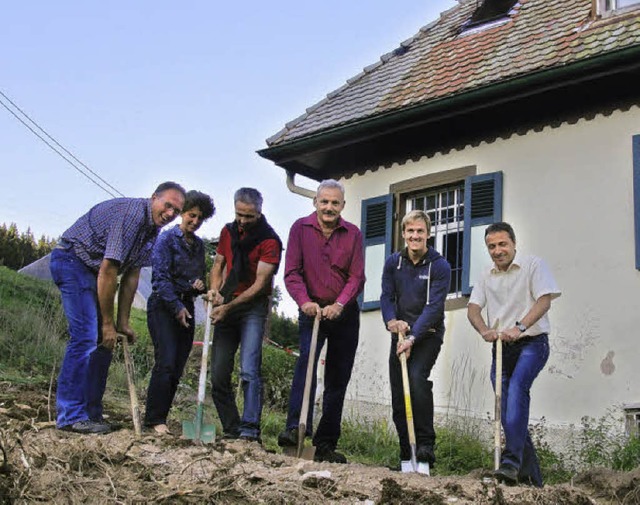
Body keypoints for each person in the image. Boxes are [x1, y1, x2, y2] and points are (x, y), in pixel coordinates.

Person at [50, 182, 186, 434]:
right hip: (71, 260)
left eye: (176, 211)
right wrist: (106, 323)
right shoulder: (132, 216)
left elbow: (132, 276)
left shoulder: (152, 231)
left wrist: (121, 322)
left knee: (106, 341)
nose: (170, 214)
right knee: (86, 336)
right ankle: (70, 415)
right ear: (153, 197)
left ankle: (90, 413)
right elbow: (109, 270)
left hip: (92, 270)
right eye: (167, 205)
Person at [277, 179, 365, 464]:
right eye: (324, 201)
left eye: (335, 203)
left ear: (342, 206)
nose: (329, 207)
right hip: (311, 310)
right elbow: (291, 272)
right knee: (305, 368)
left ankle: (325, 444)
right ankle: (295, 429)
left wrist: (340, 304)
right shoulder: (299, 229)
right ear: (315, 202)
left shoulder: (353, 234)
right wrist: (304, 302)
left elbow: (357, 276)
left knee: (337, 378)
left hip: (344, 313)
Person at [467, 222, 561, 487]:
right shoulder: (486, 275)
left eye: (502, 244)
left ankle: (509, 463)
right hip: (501, 349)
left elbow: (544, 300)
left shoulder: (533, 265)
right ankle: (531, 479)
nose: (498, 251)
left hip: (532, 343)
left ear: (514, 244)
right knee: (509, 413)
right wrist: (484, 330)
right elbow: (473, 309)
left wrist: (519, 327)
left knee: (518, 391)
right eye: (492, 247)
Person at [208, 188, 282, 442]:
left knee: (249, 370)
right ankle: (232, 427)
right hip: (226, 302)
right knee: (218, 373)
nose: (243, 220)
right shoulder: (227, 232)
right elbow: (218, 264)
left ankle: (250, 430)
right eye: (239, 214)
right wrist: (215, 292)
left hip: (252, 307)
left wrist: (229, 307)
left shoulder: (270, 241)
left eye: (249, 216)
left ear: (259, 212)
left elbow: (260, 285)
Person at [380, 210, 451, 473]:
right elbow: (386, 297)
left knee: (417, 379)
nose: (415, 236)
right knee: (399, 393)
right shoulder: (392, 263)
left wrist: (412, 337)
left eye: (420, 231)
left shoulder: (439, 266)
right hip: (400, 336)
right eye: (410, 231)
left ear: (428, 234)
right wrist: (391, 322)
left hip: (428, 334)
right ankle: (405, 452)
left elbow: (434, 308)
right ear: (403, 235)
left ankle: (425, 447)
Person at [144, 190, 215, 435]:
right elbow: (161, 280)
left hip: (188, 307)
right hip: (164, 307)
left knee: (177, 365)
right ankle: (153, 419)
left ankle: (161, 416)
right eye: (192, 215)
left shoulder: (198, 246)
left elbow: (195, 281)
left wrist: (198, 287)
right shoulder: (166, 240)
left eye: (200, 219)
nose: (195, 222)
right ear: (183, 213)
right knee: (165, 360)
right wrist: (177, 307)